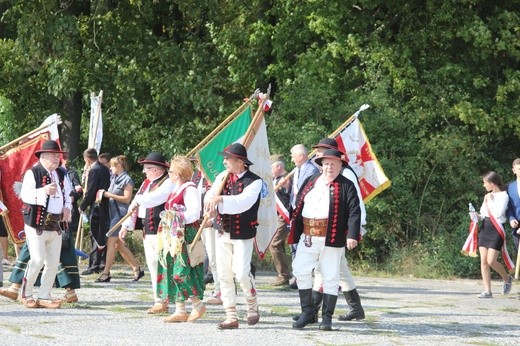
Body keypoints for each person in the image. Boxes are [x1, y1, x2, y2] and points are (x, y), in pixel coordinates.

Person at [288, 148, 361, 331]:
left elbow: (354, 211)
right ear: (321, 165)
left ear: (340, 166)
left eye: (333, 164)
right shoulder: (312, 180)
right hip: (308, 236)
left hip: (332, 237)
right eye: (326, 163)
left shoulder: (346, 185)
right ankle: (307, 312)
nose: (329, 167)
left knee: (330, 276)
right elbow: (298, 203)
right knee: (300, 269)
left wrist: (352, 235)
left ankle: (326, 318)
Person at [204, 143, 262, 330]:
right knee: (223, 274)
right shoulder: (222, 177)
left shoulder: (255, 182)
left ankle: (251, 303)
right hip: (222, 231)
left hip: (243, 233)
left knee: (241, 273)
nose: (224, 162)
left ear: (240, 162)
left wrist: (220, 200)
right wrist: (210, 209)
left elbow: (242, 203)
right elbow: (210, 196)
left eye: (227, 159)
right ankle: (231, 316)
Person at [310, 138, 366, 322]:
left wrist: (355, 232)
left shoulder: (345, 175)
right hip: (327, 231)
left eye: (320, 151)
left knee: (326, 269)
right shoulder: (324, 176)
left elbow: (355, 206)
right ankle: (354, 308)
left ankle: (314, 311)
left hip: (341, 231)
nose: (317, 155)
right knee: (336, 269)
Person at [19, 140, 72, 309]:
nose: (57, 159)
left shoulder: (62, 174)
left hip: (55, 224)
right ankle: (26, 294)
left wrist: (67, 208)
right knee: (37, 259)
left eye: (58, 156)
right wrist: (43, 191)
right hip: (36, 223)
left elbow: (68, 195)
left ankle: (44, 295)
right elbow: (25, 196)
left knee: (52, 262)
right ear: (43, 157)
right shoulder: (32, 173)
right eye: (53, 156)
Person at [119, 152, 174, 314]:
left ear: (156, 169)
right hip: (148, 230)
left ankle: (166, 299)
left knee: (163, 264)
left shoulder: (168, 182)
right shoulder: (146, 184)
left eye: (147, 168)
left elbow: (155, 198)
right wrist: (125, 226)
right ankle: (159, 299)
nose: (144, 171)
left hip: (162, 230)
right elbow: (134, 207)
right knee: (152, 264)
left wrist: (138, 200)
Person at [158, 155, 206, 323]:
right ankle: (180, 310)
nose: (169, 174)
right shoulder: (175, 189)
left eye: (170, 171)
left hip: (185, 235)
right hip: (173, 235)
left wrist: (174, 217)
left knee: (182, 272)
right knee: (172, 269)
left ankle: (198, 304)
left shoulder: (189, 189)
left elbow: (194, 213)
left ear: (177, 173)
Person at [95, 155, 143, 283]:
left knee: (111, 242)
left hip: (121, 215)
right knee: (118, 245)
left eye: (112, 166)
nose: (110, 169)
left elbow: (127, 199)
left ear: (119, 166)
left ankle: (106, 273)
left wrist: (108, 194)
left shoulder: (127, 180)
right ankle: (136, 268)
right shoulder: (115, 179)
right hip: (113, 214)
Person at [471, 171, 513, 298]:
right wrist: (475, 216)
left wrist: (490, 200)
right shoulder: (487, 196)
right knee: (483, 261)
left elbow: (498, 213)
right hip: (485, 228)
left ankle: (507, 278)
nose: (484, 185)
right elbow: (484, 214)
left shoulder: (503, 196)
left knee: (491, 260)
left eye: (485, 183)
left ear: (492, 183)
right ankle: (487, 291)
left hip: (496, 229)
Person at [190, 157, 222, 305]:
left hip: (212, 222)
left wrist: (212, 219)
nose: (198, 165)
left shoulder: (216, 176)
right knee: (207, 256)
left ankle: (220, 291)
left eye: (199, 162)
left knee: (215, 258)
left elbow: (218, 199)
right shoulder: (196, 176)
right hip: (199, 222)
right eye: (196, 162)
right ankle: (216, 288)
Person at [288, 144, 319, 289]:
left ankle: (302, 277)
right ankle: (297, 276)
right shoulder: (298, 170)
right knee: (294, 245)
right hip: (295, 211)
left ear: (301, 156)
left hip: (304, 213)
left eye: (293, 155)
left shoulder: (311, 170)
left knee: (303, 245)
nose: (292, 158)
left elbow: (306, 192)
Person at [79, 148, 111, 275]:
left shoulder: (94, 170)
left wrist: (82, 206)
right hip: (104, 204)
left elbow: (91, 191)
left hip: (97, 206)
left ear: (87, 159)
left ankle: (94, 265)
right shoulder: (104, 169)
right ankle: (99, 263)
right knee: (101, 234)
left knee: (95, 234)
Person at [269, 154, 292, 286]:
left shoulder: (287, 179)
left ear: (278, 166)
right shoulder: (275, 179)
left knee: (274, 244)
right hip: (276, 216)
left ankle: (284, 274)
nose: (270, 171)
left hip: (284, 216)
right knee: (279, 244)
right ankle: (284, 274)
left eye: (271, 167)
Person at [506, 158, 520, 253]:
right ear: (513, 170)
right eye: (519, 169)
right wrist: (511, 219)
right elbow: (509, 208)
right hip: (517, 229)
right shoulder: (509, 187)